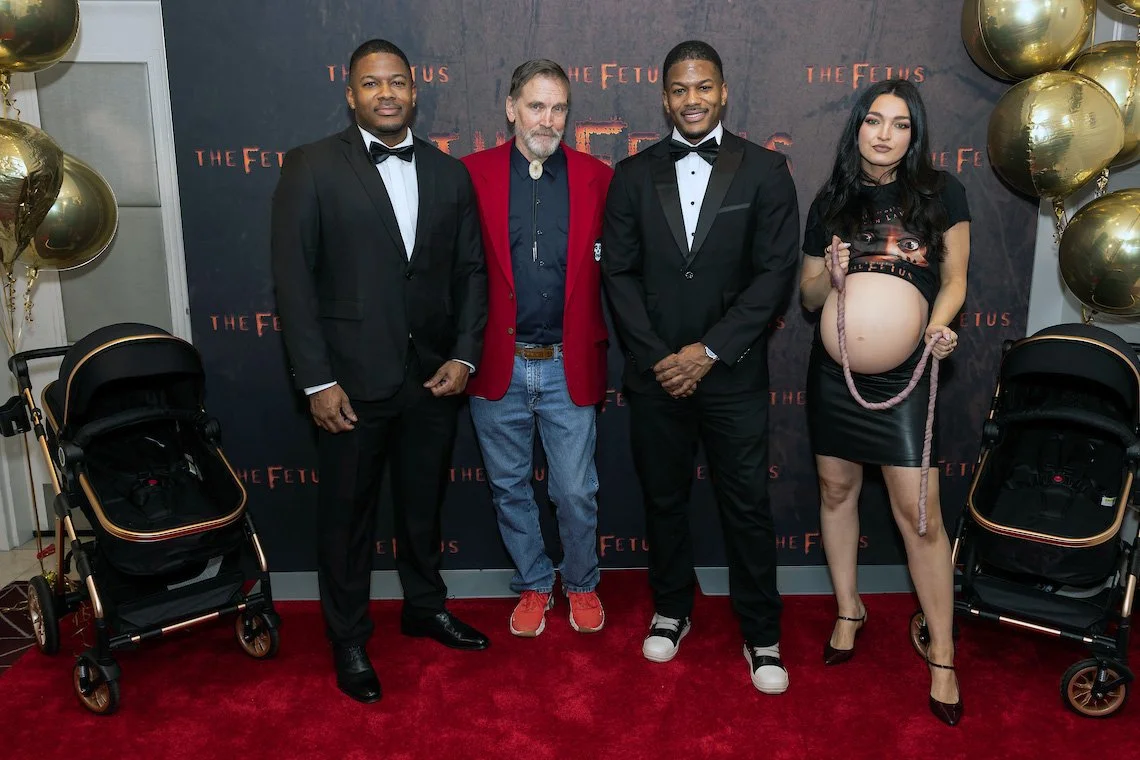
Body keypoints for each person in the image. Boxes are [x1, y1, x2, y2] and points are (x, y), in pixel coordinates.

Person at [270, 38, 490, 705]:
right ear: (350, 94)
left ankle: (424, 607)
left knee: (423, 508)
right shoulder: (311, 166)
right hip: (348, 384)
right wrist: (317, 381)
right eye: (371, 83)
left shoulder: (450, 174)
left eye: (397, 82)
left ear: (415, 91)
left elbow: (471, 273)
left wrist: (464, 355)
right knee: (347, 520)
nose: (386, 93)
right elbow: (293, 283)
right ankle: (348, 637)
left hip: (432, 379)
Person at [601, 40, 800, 694]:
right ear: (665, 98)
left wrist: (708, 352)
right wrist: (662, 357)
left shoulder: (766, 170)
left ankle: (761, 632)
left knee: (746, 505)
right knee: (663, 500)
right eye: (680, 89)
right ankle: (671, 608)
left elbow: (774, 275)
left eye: (704, 87)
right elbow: (619, 275)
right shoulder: (631, 175)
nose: (693, 99)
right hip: (656, 375)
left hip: (732, 375)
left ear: (723, 92)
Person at [799, 78, 970, 726]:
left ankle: (943, 653)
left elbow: (954, 281)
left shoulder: (942, 193)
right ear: (858, 126)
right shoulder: (832, 199)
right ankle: (850, 608)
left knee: (919, 515)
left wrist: (937, 328)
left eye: (900, 124)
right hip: (835, 375)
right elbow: (809, 296)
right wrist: (832, 274)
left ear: (914, 135)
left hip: (907, 373)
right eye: (874, 120)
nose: (885, 134)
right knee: (836, 491)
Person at [461, 60, 614, 638]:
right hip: (497, 363)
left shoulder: (598, 177)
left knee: (575, 491)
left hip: (568, 364)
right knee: (509, 488)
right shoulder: (470, 174)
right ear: (511, 109)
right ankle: (533, 581)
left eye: (558, 109)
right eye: (535, 106)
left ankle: (581, 581)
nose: (547, 120)